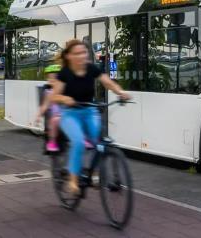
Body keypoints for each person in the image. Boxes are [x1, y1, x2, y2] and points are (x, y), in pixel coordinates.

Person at [50, 39, 130, 195]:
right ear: (69, 56)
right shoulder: (65, 73)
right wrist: (65, 98)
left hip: (89, 111)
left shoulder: (91, 68)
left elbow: (108, 83)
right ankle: (73, 181)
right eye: (77, 53)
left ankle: (94, 174)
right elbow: (54, 96)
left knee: (99, 142)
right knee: (78, 142)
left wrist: (120, 92)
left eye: (84, 52)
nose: (82, 56)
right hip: (70, 114)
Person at [35, 64, 62, 153]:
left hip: (63, 115)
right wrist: (39, 115)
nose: (52, 80)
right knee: (49, 127)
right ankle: (48, 144)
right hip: (51, 115)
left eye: (55, 77)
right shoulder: (47, 90)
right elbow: (44, 105)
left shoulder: (64, 88)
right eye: (50, 77)